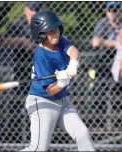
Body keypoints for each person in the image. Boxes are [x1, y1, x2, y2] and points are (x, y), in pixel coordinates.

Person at [20, 10, 95, 151]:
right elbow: (50, 90)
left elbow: (74, 52)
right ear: (40, 33)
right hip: (42, 101)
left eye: (57, 28)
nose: (56, 32)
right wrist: (62, 81)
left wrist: (73, 65)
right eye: (50, 30)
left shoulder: (60, 41)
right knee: (38, 149)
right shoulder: (40, 54)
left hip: (62, 101)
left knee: (83, 134)